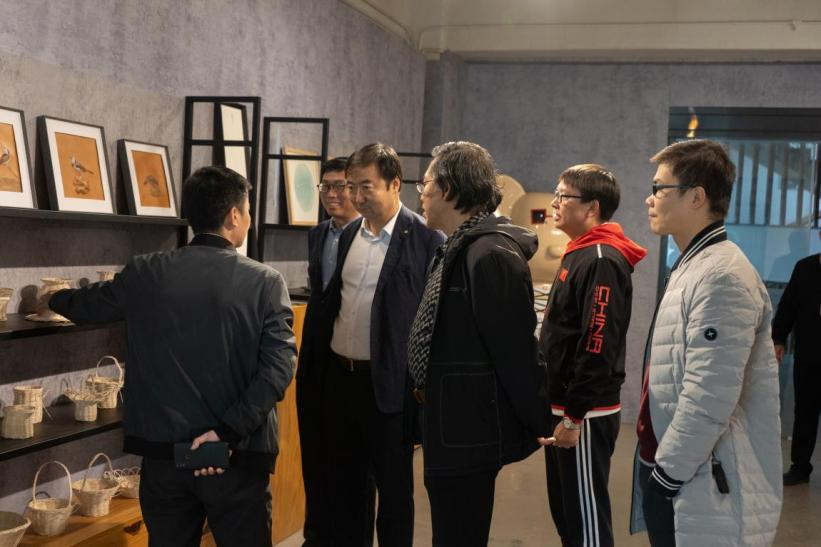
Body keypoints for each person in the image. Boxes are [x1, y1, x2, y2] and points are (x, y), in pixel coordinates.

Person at [44, 166, 297, 547]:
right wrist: (225, 434)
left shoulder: (145, 271)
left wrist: (51, 298)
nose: (247, 219)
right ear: (233, 215)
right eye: (247, 211)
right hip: (237, 455)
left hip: (164, 456)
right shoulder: (265, 282)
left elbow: (86, 305)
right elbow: (278, 369)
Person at [631, 139, 782, 546]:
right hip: (674, 464)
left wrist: (668, 475)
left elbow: (710, 393)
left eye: (659, 188)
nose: (649, 198)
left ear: (696, 197)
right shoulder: (693, 265)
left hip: (697, 476)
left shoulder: (722, 277)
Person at [408, 141, 547, 546]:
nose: (422, 194)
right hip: (449, 420)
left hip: (467, 428)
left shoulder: (490, 254)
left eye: (426, 184)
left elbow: (515, 351)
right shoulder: (460, 245)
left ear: (449, 189)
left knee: (459, 533)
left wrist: (540, 418)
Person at [320, 143, 444, 546]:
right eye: (351, 186)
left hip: (390, 385)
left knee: (394, 491)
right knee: (347, 488)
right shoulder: (348, 235)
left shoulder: (426, 239)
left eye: (366, 187)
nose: (356, 197)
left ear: (394, 184)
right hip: (343, 380)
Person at [538, 164, 646, 547]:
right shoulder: (581, 252)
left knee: (586, 523)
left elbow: (598, 343)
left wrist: (574, 415)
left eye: (563, 196)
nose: (554, 203)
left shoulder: (601, 259)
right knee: (568, 518)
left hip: (584, 413)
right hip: (564, 407)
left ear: (592, 207)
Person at [296, 156, 370, 546]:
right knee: (314, 450)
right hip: (315, 356)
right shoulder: (319, 234)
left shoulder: (369, 237)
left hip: (351, 360)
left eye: (340, 186)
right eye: (326, 186)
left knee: (352, 462)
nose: (332, 194)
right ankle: (317, 534)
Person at [772, 229, 821, 486]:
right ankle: (800, 467)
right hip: (810, 352)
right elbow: (788, 305)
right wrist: (778, 338)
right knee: (805, 410)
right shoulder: (805, 268)